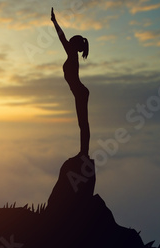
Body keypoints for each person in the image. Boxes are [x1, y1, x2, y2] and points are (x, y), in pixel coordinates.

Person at [51, 7, 90, 157]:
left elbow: (62, 37)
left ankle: (84, 153)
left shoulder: (72, 55)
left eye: (70, 42)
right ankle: (83, 152)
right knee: (82, 123)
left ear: (73, 45)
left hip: (80, 92)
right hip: (80, 92)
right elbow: (63, 38)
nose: (67, 43)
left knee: (83, 123)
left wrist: (54, 22)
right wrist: (54, 21)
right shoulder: (72, 56)